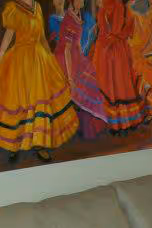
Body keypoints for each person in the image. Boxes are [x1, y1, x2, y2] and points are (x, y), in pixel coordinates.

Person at [0, 0, 77, 162]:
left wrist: (50, 58)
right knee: (17, 101)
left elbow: (42, 38)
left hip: (39, 61)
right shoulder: (14, 8)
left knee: (39, 100)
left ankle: (39, 144)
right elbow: (8, 35)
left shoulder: (37, 7)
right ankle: (14, 143)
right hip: (20, 61)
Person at [55, 0, 107, 139]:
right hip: (66, 59)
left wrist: (83, 58)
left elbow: (77, 44)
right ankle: (85, 127)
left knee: (94, 81)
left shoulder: (78, 16)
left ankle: (89, 126)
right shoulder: (69, 19)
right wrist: (70, 78)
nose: (82, 1)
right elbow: (66, 50)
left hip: (77, 56)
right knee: (84, 86)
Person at [92, 0, 147, 133]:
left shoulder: (114, 6)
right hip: (118, 49)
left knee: (115, 86)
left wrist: (104, 41)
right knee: (120, 85)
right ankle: (123, 121)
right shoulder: (123, 9)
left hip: (111, 50)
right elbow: (125, 31)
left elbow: (114, 30)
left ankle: (117, 123)